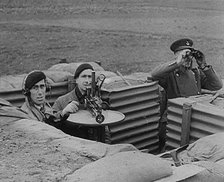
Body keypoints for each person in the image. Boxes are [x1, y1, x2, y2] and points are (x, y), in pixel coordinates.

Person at [151, 38, 223, 152]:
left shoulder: (196, 73)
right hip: (174, 119)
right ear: (177, 56)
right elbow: (153, 75)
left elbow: (216, 86)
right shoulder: (170, 74)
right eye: (184, 55)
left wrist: (203, 65)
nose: (188, 59)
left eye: (190, 55)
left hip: (195, 117)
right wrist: (177, 63)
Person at [52, 63, 110, 141]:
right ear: (76, 80)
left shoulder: (97, 100)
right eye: (83, 76)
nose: (87, 81)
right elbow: (51, 123)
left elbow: (105, 129)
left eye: (90, 77)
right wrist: (63, 113)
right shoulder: (61, 101)